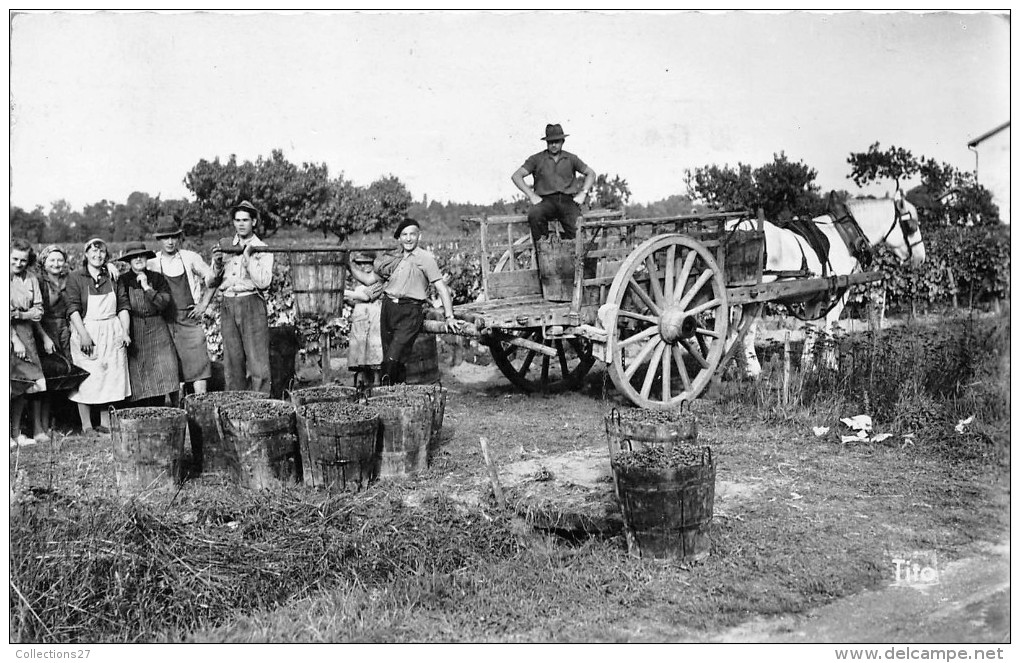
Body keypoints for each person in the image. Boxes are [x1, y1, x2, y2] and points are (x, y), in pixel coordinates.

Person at [374, 218, 463, 385]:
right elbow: (374, 279)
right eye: (404, 235)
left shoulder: (426, 258)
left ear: (419, 236)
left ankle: (385, 394)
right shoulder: (396, 258)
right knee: (389, 356)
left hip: (410, 311)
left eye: (412, 234)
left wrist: (449, 316)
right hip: (388, 308)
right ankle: (396, 396)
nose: (408, 239)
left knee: (394, 356)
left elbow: (442, 288)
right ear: (399, 238)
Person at [147, 216, 217, 402]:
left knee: (199, 366)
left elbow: (212, 280)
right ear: (159, 240)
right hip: (166, 321)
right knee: (172, 369)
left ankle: (200, 407)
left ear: (179, 238)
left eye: (173, 237)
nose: (170, 242)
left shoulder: (190, 258)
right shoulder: (152, 262)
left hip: (190, 319)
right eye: (165, 238)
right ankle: (176, 411)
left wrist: (203, 304)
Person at [65, 237, 131, 435]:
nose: (97, 255)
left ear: (106, 254)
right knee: (87, 377)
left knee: (109, 375)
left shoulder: (112, 276)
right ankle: (86, 425)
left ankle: (105, 423)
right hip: (88, 329)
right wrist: (84, 335)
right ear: (85, 254)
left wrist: (125, 332)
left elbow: (123, 305)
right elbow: (72, 308)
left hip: (112, 329)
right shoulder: (76, 277)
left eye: (101, 251)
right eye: (93, 251)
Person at [210, 200, 274, 393]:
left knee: (257, 361)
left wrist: (248, 260)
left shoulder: (262, 248)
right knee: (233, 360)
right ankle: (236, 405)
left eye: (245, 220)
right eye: (237, 220)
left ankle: (261, 405)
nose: (241, 224)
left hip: (251, 302)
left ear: (253, 222)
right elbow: (211, 282)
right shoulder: (225, 246)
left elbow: (264, 282)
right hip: (229, 303)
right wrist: (218, 264)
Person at [511, 123, 596, 242]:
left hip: (567, 201)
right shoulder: (537, 159)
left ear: (563, 141)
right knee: (535, 215)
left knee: (579, 232)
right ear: (546, 143)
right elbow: (517, 176)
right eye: (551, 142)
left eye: (557, 141)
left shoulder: (571, 158)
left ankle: (580, 259)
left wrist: (583, 193)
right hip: (545, 201)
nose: (554, 145)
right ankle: (542, 252)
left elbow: (591, 173)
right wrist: (531, 195)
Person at [119, 242, 180, 406]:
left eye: (142, 255)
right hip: (135, 327)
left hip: (158, 328)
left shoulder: (157, 278)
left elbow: (163, 303)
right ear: (129, 261)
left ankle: (170, 409)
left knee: (166, 368)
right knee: (140, 372)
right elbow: (121, 305)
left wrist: (146, 286)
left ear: (147, 258)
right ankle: (142, 411)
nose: (138, 259)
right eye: (134, 257)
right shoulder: (123, 280)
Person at [11, 238, 56, 447]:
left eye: (23, 260)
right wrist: (13, 339)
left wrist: (20, 314)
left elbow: (38, 312)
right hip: (10, 335)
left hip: (27, 333)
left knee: (26, 383)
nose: (18, 264)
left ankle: (16, 432)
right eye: (14, 259)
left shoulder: (31, 279)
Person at [36, 245, 73, 435]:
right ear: (44, 262)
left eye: (60, 260)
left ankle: (64, 419)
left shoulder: (69, 278)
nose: (57, 264)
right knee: (49, 374)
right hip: (46, 328)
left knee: (67, 373)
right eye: (52, 260)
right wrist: (44, 337)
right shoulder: (39, 281)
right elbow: (38, 313)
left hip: (65, 329)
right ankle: (44, 422)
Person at [344, 251, 384, 388]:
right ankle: (361, 383)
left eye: (368, 263)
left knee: (374, 351)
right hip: (360, 319)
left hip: (374, 319)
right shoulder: (358, 284)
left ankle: (377, 384)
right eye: (360, 264)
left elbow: (366, 296)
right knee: (359, 349)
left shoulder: (379, 280)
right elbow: (356, 299)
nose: (364, 267)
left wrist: (342, 292)